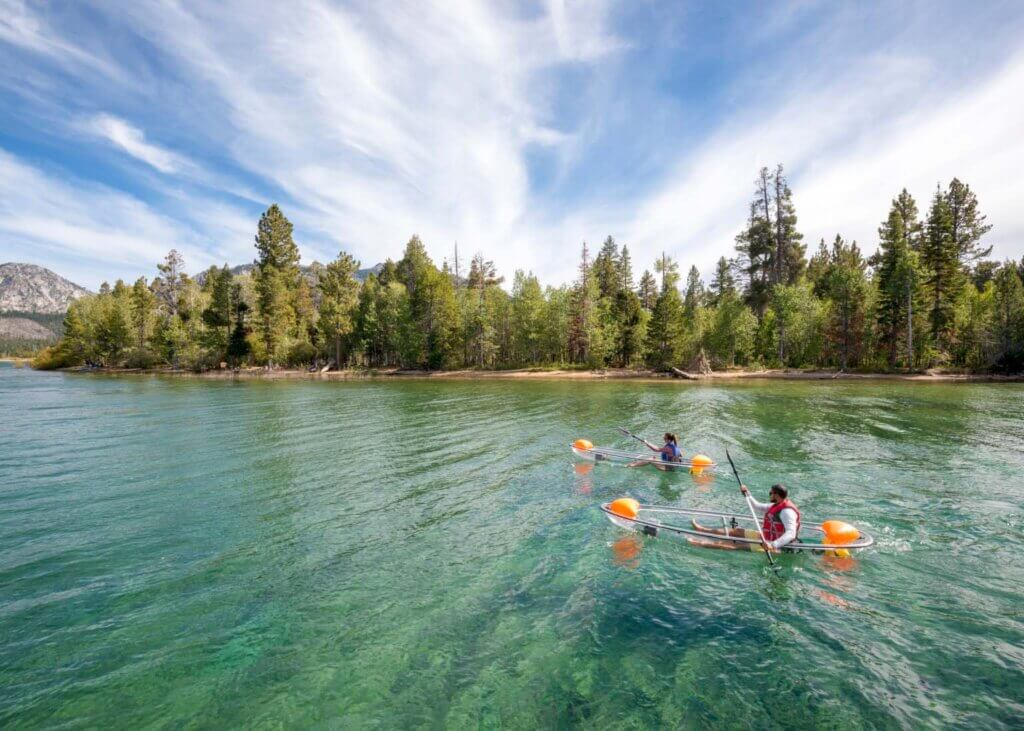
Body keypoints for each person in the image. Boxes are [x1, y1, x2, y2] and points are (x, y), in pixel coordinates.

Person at [691, 483, 801, 552]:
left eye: (771, 493)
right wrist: (747, 493)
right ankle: (702, 530)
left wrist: (773, 545)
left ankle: (701, 543)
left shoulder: (787, 512)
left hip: (776, 545)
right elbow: (757, 506)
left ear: (776, 495)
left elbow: (791, 534)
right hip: (766, 537)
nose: (769, 494)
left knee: (736, 545)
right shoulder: (776, 505)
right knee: (736, 531)